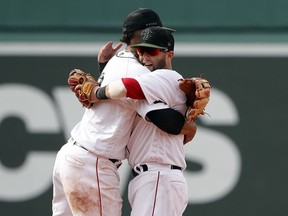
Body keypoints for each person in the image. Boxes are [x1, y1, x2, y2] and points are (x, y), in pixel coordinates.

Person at [52, 8, 196, 216]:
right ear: (138, 37)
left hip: (72, 157)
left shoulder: (116, 61)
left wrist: (102, 66)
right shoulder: (139, 71)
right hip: (93, 164)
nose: (148, 49)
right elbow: (164, 119)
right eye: (151, 33)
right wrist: (188, 126)